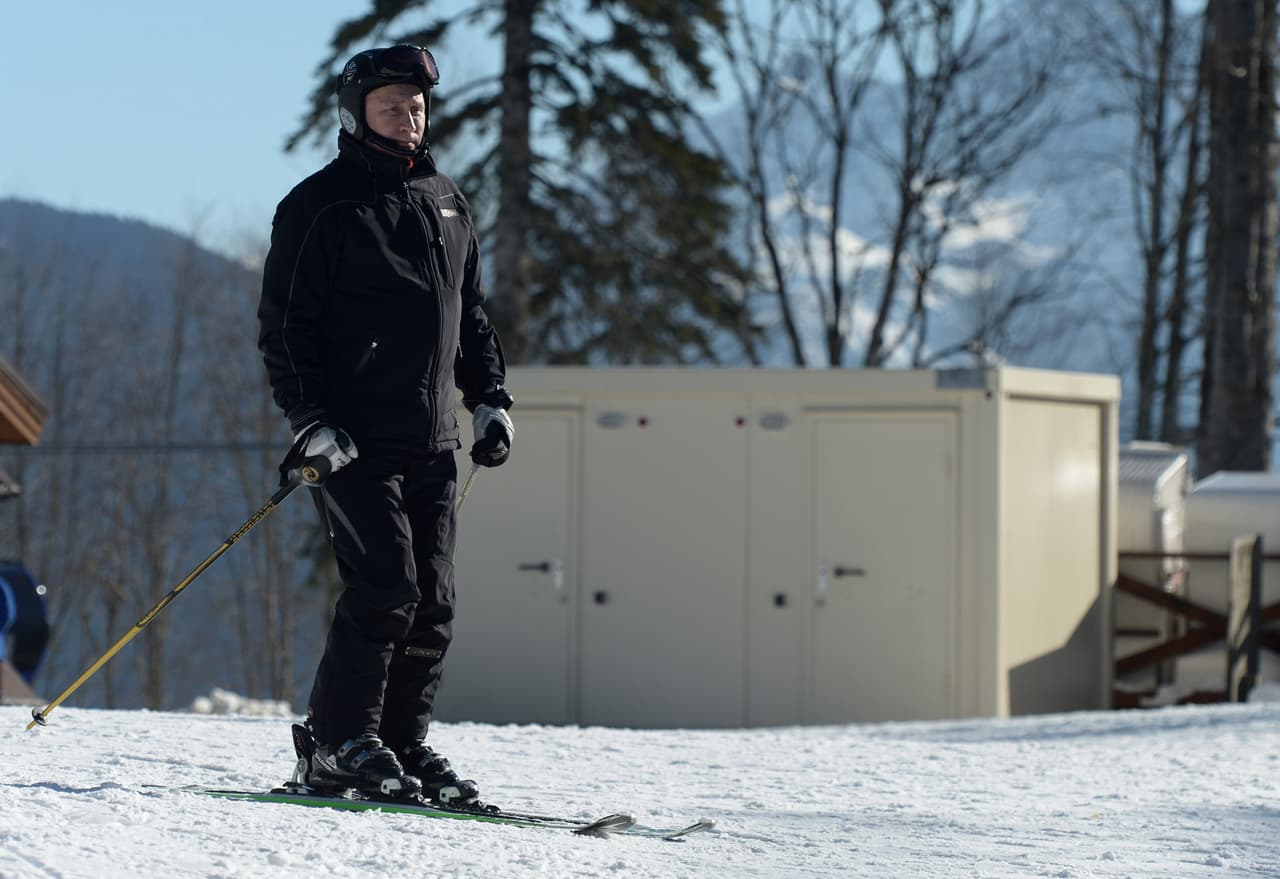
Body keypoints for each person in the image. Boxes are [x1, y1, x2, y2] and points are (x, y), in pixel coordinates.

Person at [257, 44, 514, 804]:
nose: (408, 117)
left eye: (416, 105)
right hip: (351, 441)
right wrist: (311, 421)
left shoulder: (446, 199)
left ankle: (401, 743)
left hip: (432, 437)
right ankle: (337, 743)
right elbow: (284, 328)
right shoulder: (321, 205)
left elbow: (468, 315)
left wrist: (489, 399)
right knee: (386, 589)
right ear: (356, 113)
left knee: (432, 600)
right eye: (390, 105)